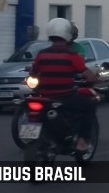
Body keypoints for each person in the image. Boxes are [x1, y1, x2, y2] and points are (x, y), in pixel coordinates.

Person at [28, 18, 98, 151]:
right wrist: (93, 79)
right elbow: (86, 74)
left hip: (44, 96)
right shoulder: (72, 55)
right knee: (89, 106)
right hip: (65, 96)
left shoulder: (42, 54)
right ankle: (82, 141)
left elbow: (33, 72)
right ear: (68, 35)